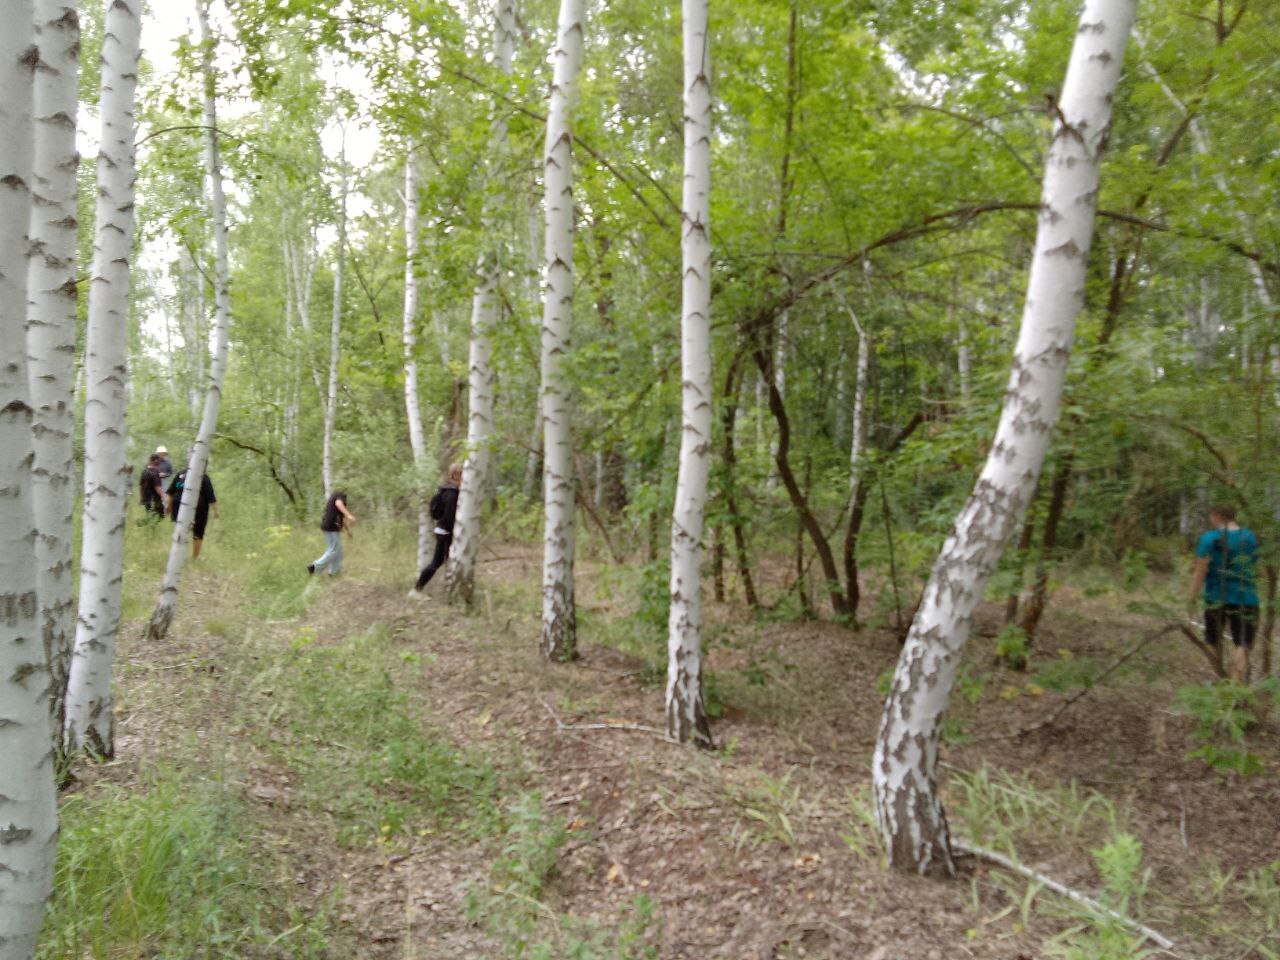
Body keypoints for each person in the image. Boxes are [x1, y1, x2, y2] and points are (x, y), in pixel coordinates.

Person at [1187, 504, 1259, 682]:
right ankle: (1232, 689)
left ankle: (1217, 680)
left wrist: (1191, 598)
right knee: (1243, 643)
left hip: (1215, 597)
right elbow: (1255, 565)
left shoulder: (1209, 538)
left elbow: (1200, 570)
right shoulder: (1249, 537)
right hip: (1246, 597)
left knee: (1212, 640)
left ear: (1217, 515)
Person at [410, 464, 462, 597]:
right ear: (456, 475)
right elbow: (449, 517)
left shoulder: (445, 490)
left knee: (448, 561)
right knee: (437, 562)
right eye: (463, 474)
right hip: (445, 532)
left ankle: (452, 590)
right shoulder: (451, 494)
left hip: (441, 530)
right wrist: (455, 532)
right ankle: (416, 590)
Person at [168, 462, 219, 559]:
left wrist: (169, 506)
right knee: (198, 533)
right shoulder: (203, 477)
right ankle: (195, 557)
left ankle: (177, 555)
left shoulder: (180, 474)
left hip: (178, 507)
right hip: (198, 509)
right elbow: (211, 498)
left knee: (181, 531)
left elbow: (170, 492)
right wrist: (216, 512)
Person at [309, 490, 355, 577]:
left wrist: (348, 531)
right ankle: (315, 567)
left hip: (332, 527)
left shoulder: (338, 500)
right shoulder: (340, 495)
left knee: (338, 551)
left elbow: (342, 519)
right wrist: (349, 515)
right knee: (333, 550)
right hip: (331, 527)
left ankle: (334, 572)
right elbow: (338, 504)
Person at [139, 453, 166, 517]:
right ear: (155, 461)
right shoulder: (155, 472)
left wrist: (141, 497)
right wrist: (164, 496)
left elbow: (140, 486)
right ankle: (141, 524)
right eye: (158, 460)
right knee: (161, 515)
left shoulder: (144, 471)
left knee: (150, 515)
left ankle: (144, 525)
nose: (159, 462)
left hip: (146, 499)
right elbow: (157, 488)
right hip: (154, 499)